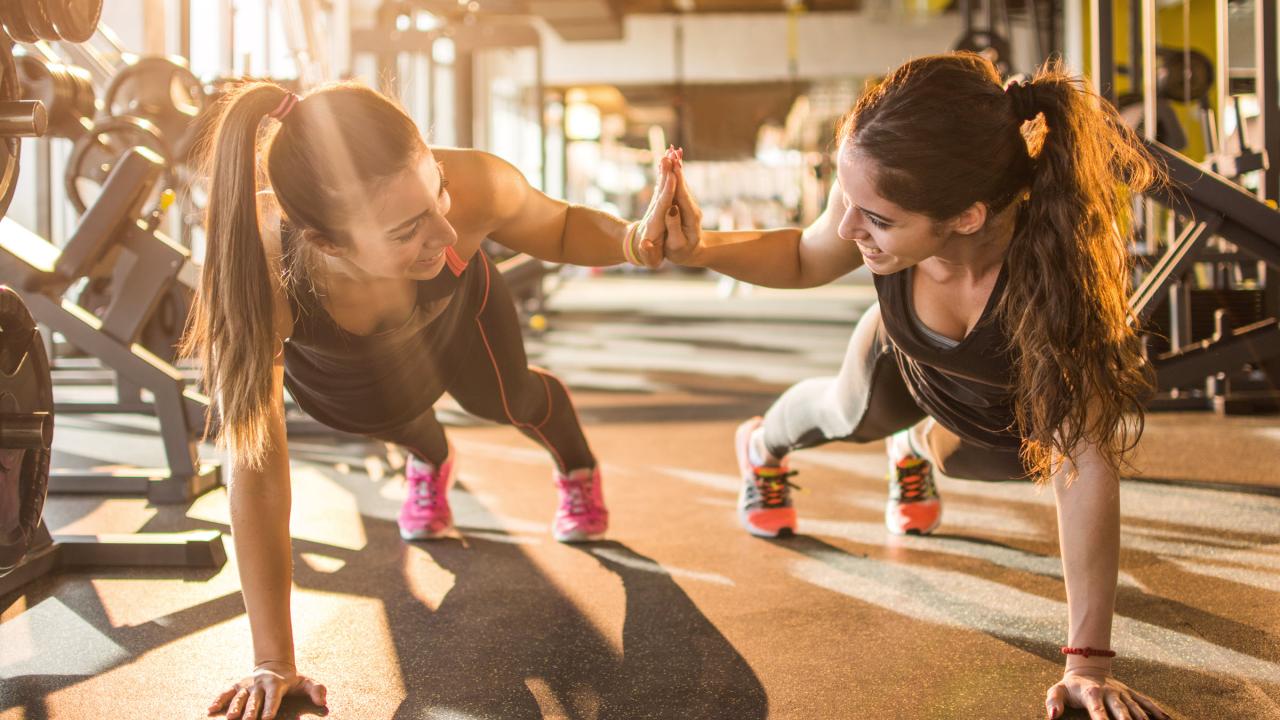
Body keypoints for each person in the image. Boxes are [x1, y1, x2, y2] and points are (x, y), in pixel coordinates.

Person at [660, 54, 1171, 720]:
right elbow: (802, 253)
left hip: (996, 411)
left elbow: (1086, 461)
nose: (849, 229)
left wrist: (1087, 666)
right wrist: (695, 249)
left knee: (979, 461)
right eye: (851, 204)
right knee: (843, 412)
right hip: (899, 357)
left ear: (966, 217)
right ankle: (760, 446)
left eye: (876, 219)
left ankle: (917, 446)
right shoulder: (880, 187)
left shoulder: (1055, 282)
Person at [184, 81, 675, 720]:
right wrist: (273, 659)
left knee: (507, 397)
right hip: (348, 376)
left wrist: (639, 240)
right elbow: (254, 462)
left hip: (457, 319)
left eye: (436, 187)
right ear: (327, 244)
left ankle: (576, 466)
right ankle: (431, 459)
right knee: (381, 416)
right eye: (407, 228)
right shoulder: (255, 259)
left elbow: (556, 224)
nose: (446, 230)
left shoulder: (469, 189)